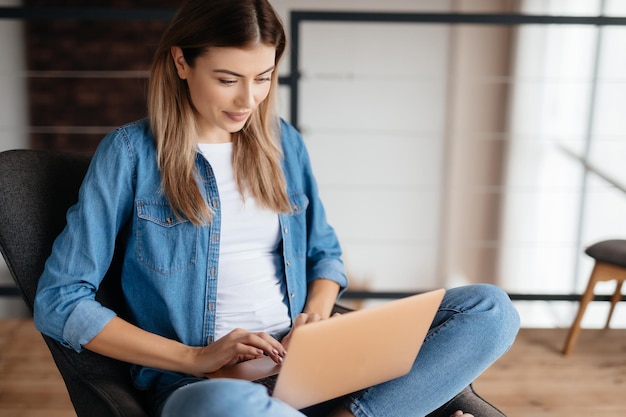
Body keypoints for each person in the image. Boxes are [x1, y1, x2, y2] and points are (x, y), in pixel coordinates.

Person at [33, 0, 520, 416]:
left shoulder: (281, 143)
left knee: (491, 310)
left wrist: (317, 311)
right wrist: (194, 358)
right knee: (219, 407)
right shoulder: (129, 154)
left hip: (310, 366)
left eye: (262, 77)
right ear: (182, 62)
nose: (248, 99)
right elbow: (62, 302)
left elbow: (324, 253)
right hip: (203, 386)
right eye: (228, 79)